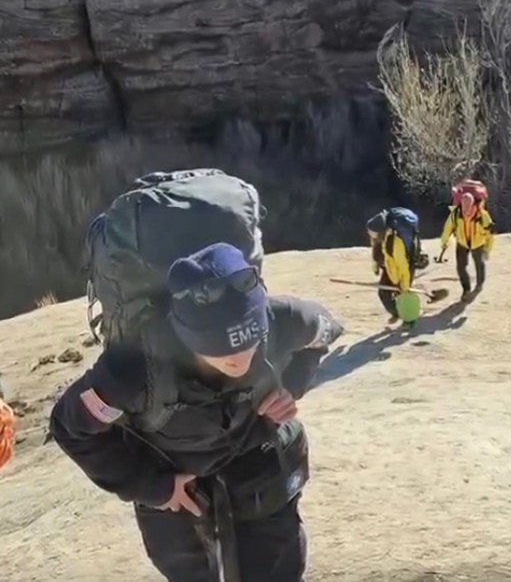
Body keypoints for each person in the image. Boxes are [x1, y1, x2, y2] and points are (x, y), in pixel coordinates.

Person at [49, 242, 344, 582]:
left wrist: (290, 386)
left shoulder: (282, 319)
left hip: (259, 464)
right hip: (177, 490)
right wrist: (153, 486)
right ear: (186, 337)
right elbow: (70, 427)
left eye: (250, 342)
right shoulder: (133, 369)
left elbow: (325, 332)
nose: (240, 358)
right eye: (219, 349)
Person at [366, 207, 426, 324]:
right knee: (383, 293)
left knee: (404, 296)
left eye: (372, 233)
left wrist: (404, 285)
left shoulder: (395, 242)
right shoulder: (381, 238)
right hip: (390, 267)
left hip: (405, 268)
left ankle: (409, 321)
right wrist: (376, 267)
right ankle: (397, 313)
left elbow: (403, 266)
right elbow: (376, 252)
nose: (371, 235)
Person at [438, 190, 495, 301]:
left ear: (473, 203)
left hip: (478, 243)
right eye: (464, 205)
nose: (466, 208)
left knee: (479, 265)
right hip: (462, 243)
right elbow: (448, 228)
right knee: (460, 267)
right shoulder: (456, 214)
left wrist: (487, 250)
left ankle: (479, 284)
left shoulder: (482, 215)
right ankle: (466, 290)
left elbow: (490, 234)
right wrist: (444, 242)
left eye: (468, 204)